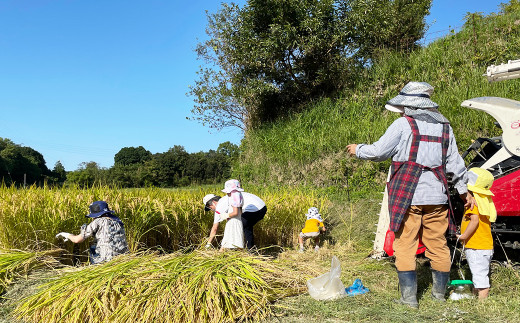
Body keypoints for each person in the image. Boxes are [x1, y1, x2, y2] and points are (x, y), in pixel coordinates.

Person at [346, 81, 475, 308]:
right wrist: (465, 193)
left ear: (409, 106)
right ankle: (438, 296)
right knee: (438, 243)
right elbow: (455, 164)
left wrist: (358, 150)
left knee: (405, 243)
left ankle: (409, 299)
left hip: (409, 195)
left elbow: (378, 152)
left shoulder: (403, 125)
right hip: (437, 196)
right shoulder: (445, 127)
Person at [457, 168, 496, 299]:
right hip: (485, 245)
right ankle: (475, 297)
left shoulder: (472, 202)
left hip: (476, 246)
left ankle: (482, 304)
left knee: (480, 277)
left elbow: (474, 221)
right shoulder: (486, 201)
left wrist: (463, 236)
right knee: (478, 274)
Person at [56, 200, 129, 264]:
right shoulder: (118, 221)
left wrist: (67, 235)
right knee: (95, 244)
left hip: (107, 259)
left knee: (92, 249)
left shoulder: (98, 221)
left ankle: (97, 266)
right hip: (123, 257)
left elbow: (77, 240)